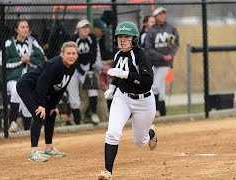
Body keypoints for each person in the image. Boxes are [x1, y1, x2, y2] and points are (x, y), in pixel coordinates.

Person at [97, 21, 158, 180]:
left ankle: (151, 133)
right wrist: (112, 86)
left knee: (139, 141)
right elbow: (118, 75)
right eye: (119, 37)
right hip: (123, 97)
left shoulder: (142, 55)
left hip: (144, 101)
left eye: (127, 37)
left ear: (134, 39)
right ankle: (107, 172)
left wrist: (126, 75)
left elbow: (147, 81)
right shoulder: (118, 54)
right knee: (112, 132)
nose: (122, 40)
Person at [16, 41, 78, 162]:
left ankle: (48, 149)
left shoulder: (72, 67)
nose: (71, 56)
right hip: (27, 86)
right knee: (39, 114)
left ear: (77, 55)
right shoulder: (54, 65)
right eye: (68, 53)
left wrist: (53, 105)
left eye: (73, 53)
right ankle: (33, 152)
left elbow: (61, 87)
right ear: (62, 54)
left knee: (51, 113)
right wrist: (41, 105)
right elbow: (41, 85)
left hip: (41, 90)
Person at [1, 19, 45, 132]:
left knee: (27, 101)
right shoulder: (9, 43)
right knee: (16, 90)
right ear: (16, 29)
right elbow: (3, 61)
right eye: (22, 27)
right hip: (14, 78)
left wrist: (29, 59)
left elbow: (41, 57)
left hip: (29, 78)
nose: (25, 29)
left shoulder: (32, 42)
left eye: (26, 27)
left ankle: (26, 130)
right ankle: (13, 122)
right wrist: (20, 60)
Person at [145, 7, 180, 117]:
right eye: (160, 14)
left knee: (155, 86)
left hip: (165, 64)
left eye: (164, 13)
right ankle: (163, 113)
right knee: (160, 88)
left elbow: (173, 44)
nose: (163, 16)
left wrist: (171, 55)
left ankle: (154, 110)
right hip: (155, 63)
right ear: (156, 17)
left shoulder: (170, 29)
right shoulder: (152, 31)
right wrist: (161, 56)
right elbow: (148, 48)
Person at [66, 19, 100, 125]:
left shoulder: (92, 38)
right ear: (78, 30)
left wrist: (89, 69)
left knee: (93, 89)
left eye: (87, 28)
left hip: (87, 67)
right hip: (73, 69)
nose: (85, 30)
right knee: (74, 98)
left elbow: (94, 53)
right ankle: (77, 123)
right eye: (83, 28)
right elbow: (72, 58)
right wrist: (81, 70)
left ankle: (94, 114)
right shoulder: (73, 40)